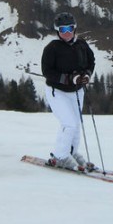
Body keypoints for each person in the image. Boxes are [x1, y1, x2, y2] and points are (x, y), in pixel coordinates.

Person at [41, 12, 96, 172]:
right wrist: (68, 79)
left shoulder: (82, 45)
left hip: (77, 91)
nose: (66, 33)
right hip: (57, 91)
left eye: (70, 28)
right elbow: (47, 71)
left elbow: (91, 61)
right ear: (57, 31)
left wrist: (86, 74)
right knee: (69, 124)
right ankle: (60, 156)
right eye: (62, 29)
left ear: (74, 28)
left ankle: (70, 151)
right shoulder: (52, 48)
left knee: (76, 124)